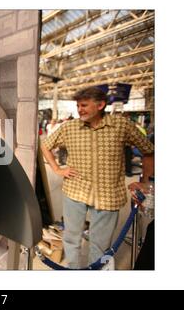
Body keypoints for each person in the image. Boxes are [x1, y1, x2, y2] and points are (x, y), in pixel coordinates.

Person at [41, 87, 154, 269]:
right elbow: (45, 145)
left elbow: (148, 150)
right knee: (71, 237)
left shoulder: (121, 125)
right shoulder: (70, 127)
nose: (80, 109)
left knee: (100, 244)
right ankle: (73, 270)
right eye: (78, 105)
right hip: (74, 191)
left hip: (108, 195)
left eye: (84, 105)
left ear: (100, 105)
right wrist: (57, 169)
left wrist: (145, 182)